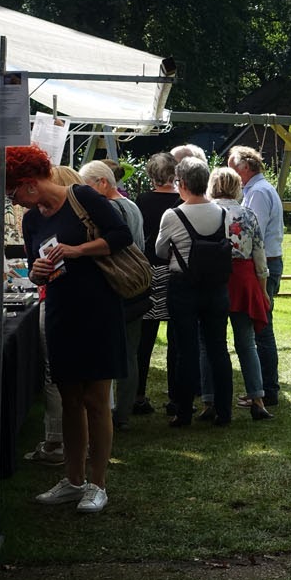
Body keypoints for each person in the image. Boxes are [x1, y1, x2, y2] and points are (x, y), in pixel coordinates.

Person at [7, 146, 130, 515]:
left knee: (95, 399)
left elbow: (121, 236)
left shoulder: (83, 197)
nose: (14, 201)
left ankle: (98, 483)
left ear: (30, 184)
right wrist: (36, 272)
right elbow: (33, 265)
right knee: (68, 399)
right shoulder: (31, 220)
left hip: (98, 308)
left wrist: (76, 250)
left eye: (13, 193)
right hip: (60, 309)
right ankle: (73, 479)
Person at [155, 157, 233, 427]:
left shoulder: (173, 215)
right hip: (217, 287)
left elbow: (160, 251)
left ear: (183, 184)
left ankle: (184, 412)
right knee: (218, 349)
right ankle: (224, 412)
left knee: (185, 352)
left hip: (183, 287)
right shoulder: (222, 213)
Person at [22, 165, 85, 467]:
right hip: (64, 302)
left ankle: (57, 441)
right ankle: (67, 442)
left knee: (58, 375)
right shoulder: (37, 221)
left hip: (65, 305)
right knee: (72, 378)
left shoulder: (71, 223)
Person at [80, 160, 145, 429]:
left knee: (110, 354)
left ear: (102, 183)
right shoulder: (132, 205)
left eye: (86, 187)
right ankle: (123, 413)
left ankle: (111, 415)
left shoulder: (109, 208)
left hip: (116, 286)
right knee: (130, 352)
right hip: (135, 287)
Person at [209, 166, 273, 420]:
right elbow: (259, 253)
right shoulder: (247, 214)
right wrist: (263, 288)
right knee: (246, 343)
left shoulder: (207, 212)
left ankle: (209, 399)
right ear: (237, 186)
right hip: (244, 280)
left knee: (210, 344)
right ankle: (257, 398)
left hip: (215, 279)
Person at [229, 146, 284, 406]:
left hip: (265, 264)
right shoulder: (256, 190)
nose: (230, 172)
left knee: (262, 330)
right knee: (261, 329)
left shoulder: (258, 193)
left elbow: (253, 235)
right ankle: (264, 389)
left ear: (245, 168)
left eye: (233, 166)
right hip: (266, 262)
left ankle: (267, 390)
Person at [132, 152, 181, 417]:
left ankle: (138, 395)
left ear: (151, 175)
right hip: (174, 270)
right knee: (176, 338)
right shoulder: (180, 200)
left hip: (150, 270)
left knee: (145, 339)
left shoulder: (142, 200)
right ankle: (176, 396)